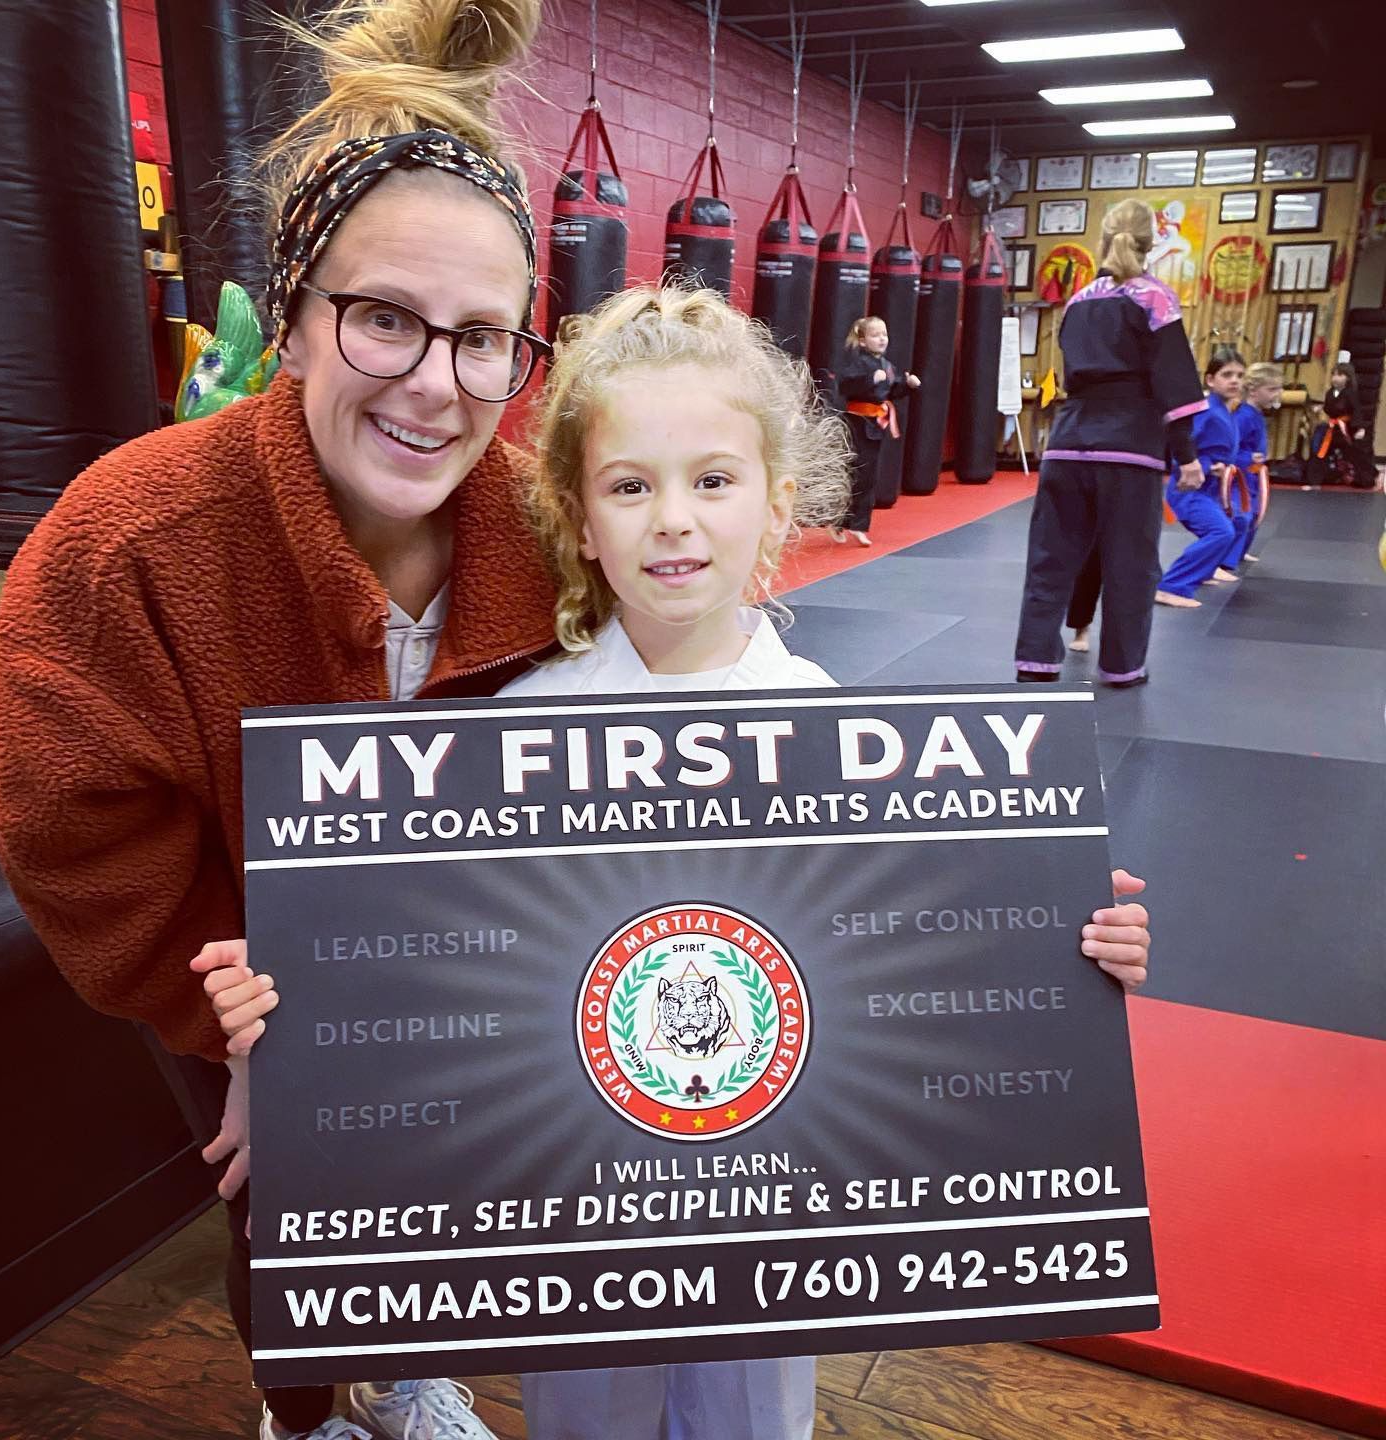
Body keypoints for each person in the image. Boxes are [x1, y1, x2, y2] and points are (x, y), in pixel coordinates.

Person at [200, 282, 1155, 1440]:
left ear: (775, 501)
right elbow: (431, 956)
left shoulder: (837, 733)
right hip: (579, 1209)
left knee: (753, 1420)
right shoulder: (517, 727)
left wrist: (1059, 938)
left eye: (713, 480)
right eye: (630, 486)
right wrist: (300, 987)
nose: (674, 520)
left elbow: (912, 956)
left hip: (773, 1204)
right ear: (577, 516)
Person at [0, 2, 562, 1437]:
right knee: (280, 1199)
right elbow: (65, 820)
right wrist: (243, 1030)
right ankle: (296, 1413)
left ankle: (415, 1375)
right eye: (383, 319)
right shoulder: (132, 537)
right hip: (233, 970)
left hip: (475, 971)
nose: (436, 382)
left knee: (449, 1188)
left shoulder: (551, 528)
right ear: (295, 314)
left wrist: (967, 893)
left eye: (484, 338)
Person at [1013, 198, 1207, 687]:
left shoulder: (1079, 301)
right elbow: (1174, 378)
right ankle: (1121, 668)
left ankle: (1035, 661)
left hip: (1067, 443)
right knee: (1130, 563)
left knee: (1050, 559)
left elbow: (1073, 373)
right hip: (1129, 449)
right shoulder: (1155, 298)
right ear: (1150, 242)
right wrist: (1186, 455)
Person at [1156, 348, 1247, 608]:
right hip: (1189, 489)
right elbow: (1180, 449)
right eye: (1227, 374)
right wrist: (1208, 466)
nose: (1234, 381)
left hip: (1212, 489)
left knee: (1238, 522)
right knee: (1220, 531)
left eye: (1240, 375)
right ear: (1210, 380)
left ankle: (1206, 569)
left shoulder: (1226, 412)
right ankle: (1171, 586)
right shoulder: (1205, 410)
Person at [832, 315, 920, 546]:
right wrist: (869, 379)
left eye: (884, 334)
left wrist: (907, 386)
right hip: (857, 423)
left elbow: (891, 392)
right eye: (875, 335)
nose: (881, 339)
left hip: (875, 424)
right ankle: (839, 521)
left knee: (868, 476)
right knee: (854, 473)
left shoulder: (887, 366)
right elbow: (844, 385)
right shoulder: (859, 364)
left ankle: (859, 525)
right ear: (862, 341)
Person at [1222, 361, 1282, 572]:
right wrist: (1248, 458)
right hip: (1240, 476)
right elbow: (1229, 450)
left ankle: (1239, 552)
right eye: (1272, 389)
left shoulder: (1256, 414)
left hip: (1253, 476)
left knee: (1256, 513)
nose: (1277, 394)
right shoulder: (1244, 416)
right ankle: (1225, 562)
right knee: (1242, 515)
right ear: (1254, 391)